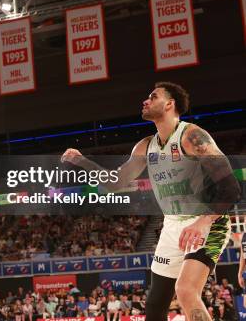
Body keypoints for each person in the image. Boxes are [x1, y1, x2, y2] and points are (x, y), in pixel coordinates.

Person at [62, 82, 240, 321]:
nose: (145, 101)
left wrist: (204, 221)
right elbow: (115, 182)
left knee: (186, 290)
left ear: (169, 104)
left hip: (207, 222)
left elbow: (230, 188)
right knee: (155, 305)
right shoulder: (146, 146)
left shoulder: (192, 136)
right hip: (173, 226)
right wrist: (83, 161)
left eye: (152, 97)